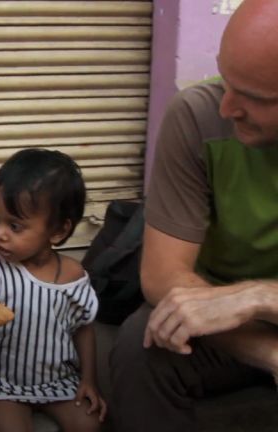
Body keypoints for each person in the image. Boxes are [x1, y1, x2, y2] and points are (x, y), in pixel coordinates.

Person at [109, 0, 278, 430]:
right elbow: (163, 275)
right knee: (142, 344)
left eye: (255, 97)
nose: (227, 107)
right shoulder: (197, 115)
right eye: (227, 79)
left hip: (241, 307)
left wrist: (259, 297)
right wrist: (269, 352)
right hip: (217, 313)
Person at [0, 149, 107, 432]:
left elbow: (83, 329)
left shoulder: (73, 276)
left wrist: (88, 380)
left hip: (58, 379)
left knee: (90, 425)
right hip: (2, 382)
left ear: (58, 231)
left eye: (14, 225)